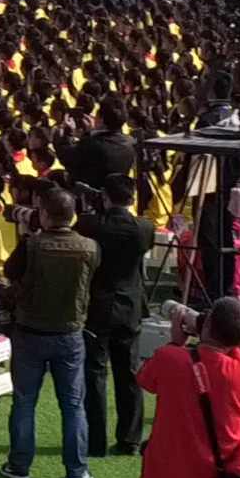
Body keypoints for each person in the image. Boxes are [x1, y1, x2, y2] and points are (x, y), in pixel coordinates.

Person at [0, 186, 98, 478]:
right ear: (74, 216)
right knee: (72, 404)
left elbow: (11, 272)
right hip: (70, 332)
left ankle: (20, 465)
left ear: (43, 214)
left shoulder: (31, 245)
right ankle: (77, 469)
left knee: (25, 401)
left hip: (31, 331)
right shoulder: (90, 247)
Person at [138, 299, 240, 478]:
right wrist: (224, 338)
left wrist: (176, 342)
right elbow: (232, 367)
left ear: (207, 326)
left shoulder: (171, 358)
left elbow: (145, 378)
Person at [79, 176, 153, 456]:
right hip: (130, 305)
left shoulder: (89, 224)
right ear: (132, 198)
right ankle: (130, 439)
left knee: (95, 373)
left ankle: (95, 441)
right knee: (129, 373)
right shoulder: (144, 228)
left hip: (97, 306)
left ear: (106, 197)